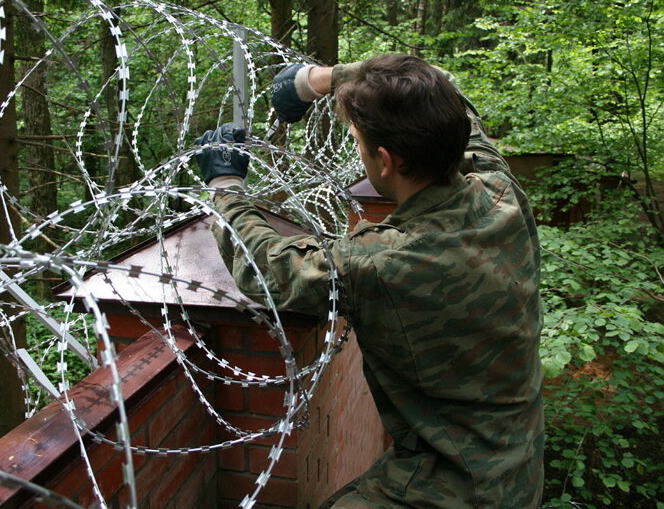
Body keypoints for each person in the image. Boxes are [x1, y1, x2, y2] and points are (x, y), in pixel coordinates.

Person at [194, 54, 544, 509]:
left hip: (451, 488)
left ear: (384, 160)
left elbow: (270, 268)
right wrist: (315, 80)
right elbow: (445, 89)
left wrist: (225, 187)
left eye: (357, 141)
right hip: (519, 465)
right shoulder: (500, 190)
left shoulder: (383, 262)